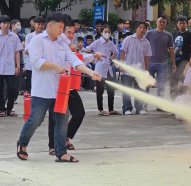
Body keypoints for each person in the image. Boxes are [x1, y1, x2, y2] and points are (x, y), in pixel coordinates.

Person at [16, 13, 101, 163]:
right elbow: (36, 61)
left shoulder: (61, 43)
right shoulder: (37, 40)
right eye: (60, 27)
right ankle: (22, 143)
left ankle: (61, 152)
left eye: (63, 27)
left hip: (60, 90)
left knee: (62, 121)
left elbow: (74, 60)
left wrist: (90, 72)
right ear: (50, 25)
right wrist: (55, 66)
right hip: (42, 90)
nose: (62, 30)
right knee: (36, 120)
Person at [47, 20, 101, 154]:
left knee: (79, 113)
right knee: (55, 116)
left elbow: (78, 59)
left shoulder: (69, 47)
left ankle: (65, 137)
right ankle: (53, 145)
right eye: (68, 32)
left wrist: (93, 57)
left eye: (72, 33)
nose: (71, 35)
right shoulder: (55, 44)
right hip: (56, 85)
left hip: (69, 85)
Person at [86, 25, 119, 116]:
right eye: (105, 32)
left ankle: (111, 109)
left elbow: (116, 52)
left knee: (111, 89)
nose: (107, 33)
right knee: (100, 90)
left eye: (109, 32)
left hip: (108, 68)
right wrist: (95, 55)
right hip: (100, 68)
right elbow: (86, 50)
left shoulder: (111, 43)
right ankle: (100, 110)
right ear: (101, 33)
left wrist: (110, 58)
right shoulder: (97, 42)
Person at [0, 15, 23, 117]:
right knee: (0, 90)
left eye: (7, 23)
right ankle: (2, 109)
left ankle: (9, 109)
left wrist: (18, 66)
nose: (6, 25)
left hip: (10, 67)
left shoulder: (14, 37)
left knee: (12, 88)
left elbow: (17, 52)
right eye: (4, 23)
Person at [120, 22, 152, 115]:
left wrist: (146, 70)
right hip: (128, 70)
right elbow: (123, 52)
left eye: (144, 28)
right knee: (127, 90)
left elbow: (146, 57)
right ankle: (126, 108)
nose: (142, 30)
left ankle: (139, 108)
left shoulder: (146, 42)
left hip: (140, 71)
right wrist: (121, 65)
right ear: (136, 28)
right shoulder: (129, 39)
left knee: (138, 90)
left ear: (146, 30)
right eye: (140, 27)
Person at [144, 15, 176, 102]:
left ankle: (160, 104)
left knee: (161, 86)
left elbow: (171, 49)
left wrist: (173, 63)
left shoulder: (168, 35)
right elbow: (143, 47)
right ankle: (144, 104)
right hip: (149, 63)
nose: (162, 23)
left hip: (163, 64)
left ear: (166, 24)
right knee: (146, 84)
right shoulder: (149, 33)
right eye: (160, 21)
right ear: (156, 23)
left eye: (164, 22)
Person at [170, 15, 191, 97]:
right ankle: (173, 96)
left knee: (184, 79)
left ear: (186, 24)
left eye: (183, 23)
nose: (182, 25)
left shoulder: (190, 34)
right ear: (177, 24)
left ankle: (183, 96)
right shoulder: (175, 34)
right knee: (173, 79)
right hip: (176, 60)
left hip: (185, 60)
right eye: (180, 23)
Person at [23, 16, 46, 93]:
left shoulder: (46, 37)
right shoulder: (29, 36)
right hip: (31, 64)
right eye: (38, 24)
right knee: (29, 84)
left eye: (42, 24)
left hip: (42, 64)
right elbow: (27, 51)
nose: (40, 26)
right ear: (34, 24)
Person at [11, 19, 26, 101]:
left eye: (20, 25)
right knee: (9, 82)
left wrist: (18, 47)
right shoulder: (9, 36)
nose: (19, 27)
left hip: (19, 61)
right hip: (10, 62)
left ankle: (14, 99)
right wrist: (19, 46)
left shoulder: (21, 36)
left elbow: (21, 48)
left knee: (17, 82)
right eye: (18, 25)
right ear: (12, 26)